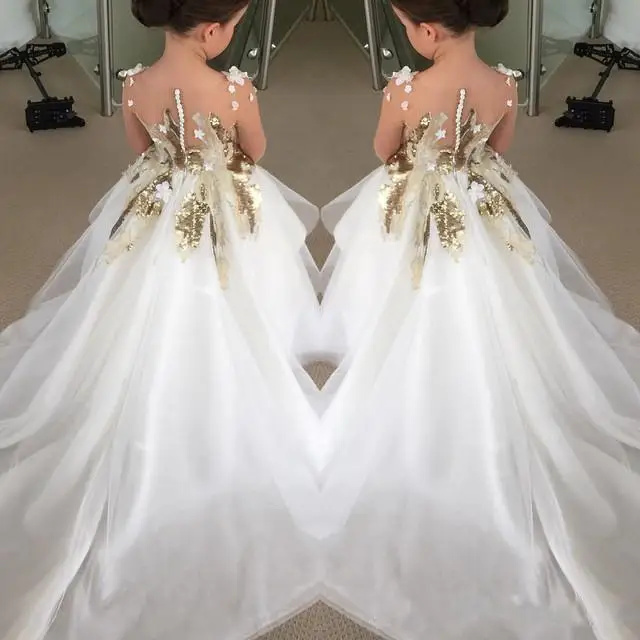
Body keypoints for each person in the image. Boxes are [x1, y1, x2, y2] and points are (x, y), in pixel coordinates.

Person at [317, 1, 640, 638]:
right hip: (482, 199)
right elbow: (500, 146)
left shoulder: (405, 87)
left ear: (426, 30)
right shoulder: (504, 83)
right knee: (503, 289)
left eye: (404, 25)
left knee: (403, 279)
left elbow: (386, 151)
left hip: (419, 201)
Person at [0, 1, 323, 639]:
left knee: (137, 290)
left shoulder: (135, 83)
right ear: (213, 29)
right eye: (235, 24)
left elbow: (140, 146)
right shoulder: (234, 88)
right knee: (237, 280)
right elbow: (254, 151)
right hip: (221, 202)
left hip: (157, 200)